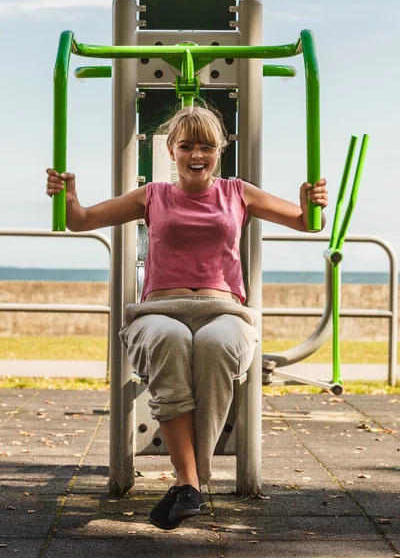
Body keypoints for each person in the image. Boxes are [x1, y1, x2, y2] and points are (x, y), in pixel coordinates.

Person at [46, 105, 328, 530]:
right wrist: (67, 197)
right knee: (169, 339)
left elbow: (306, 223)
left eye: (207, 146)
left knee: (215, 345)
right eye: (187, 146)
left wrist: (313, 202)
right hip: (158, 309)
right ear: (171, 151)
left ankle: (188, 485)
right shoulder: (153, 195)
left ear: (220, 151)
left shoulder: (238, 193)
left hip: (224, 310)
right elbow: (82, 220)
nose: (197, 154)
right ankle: (190, 481)